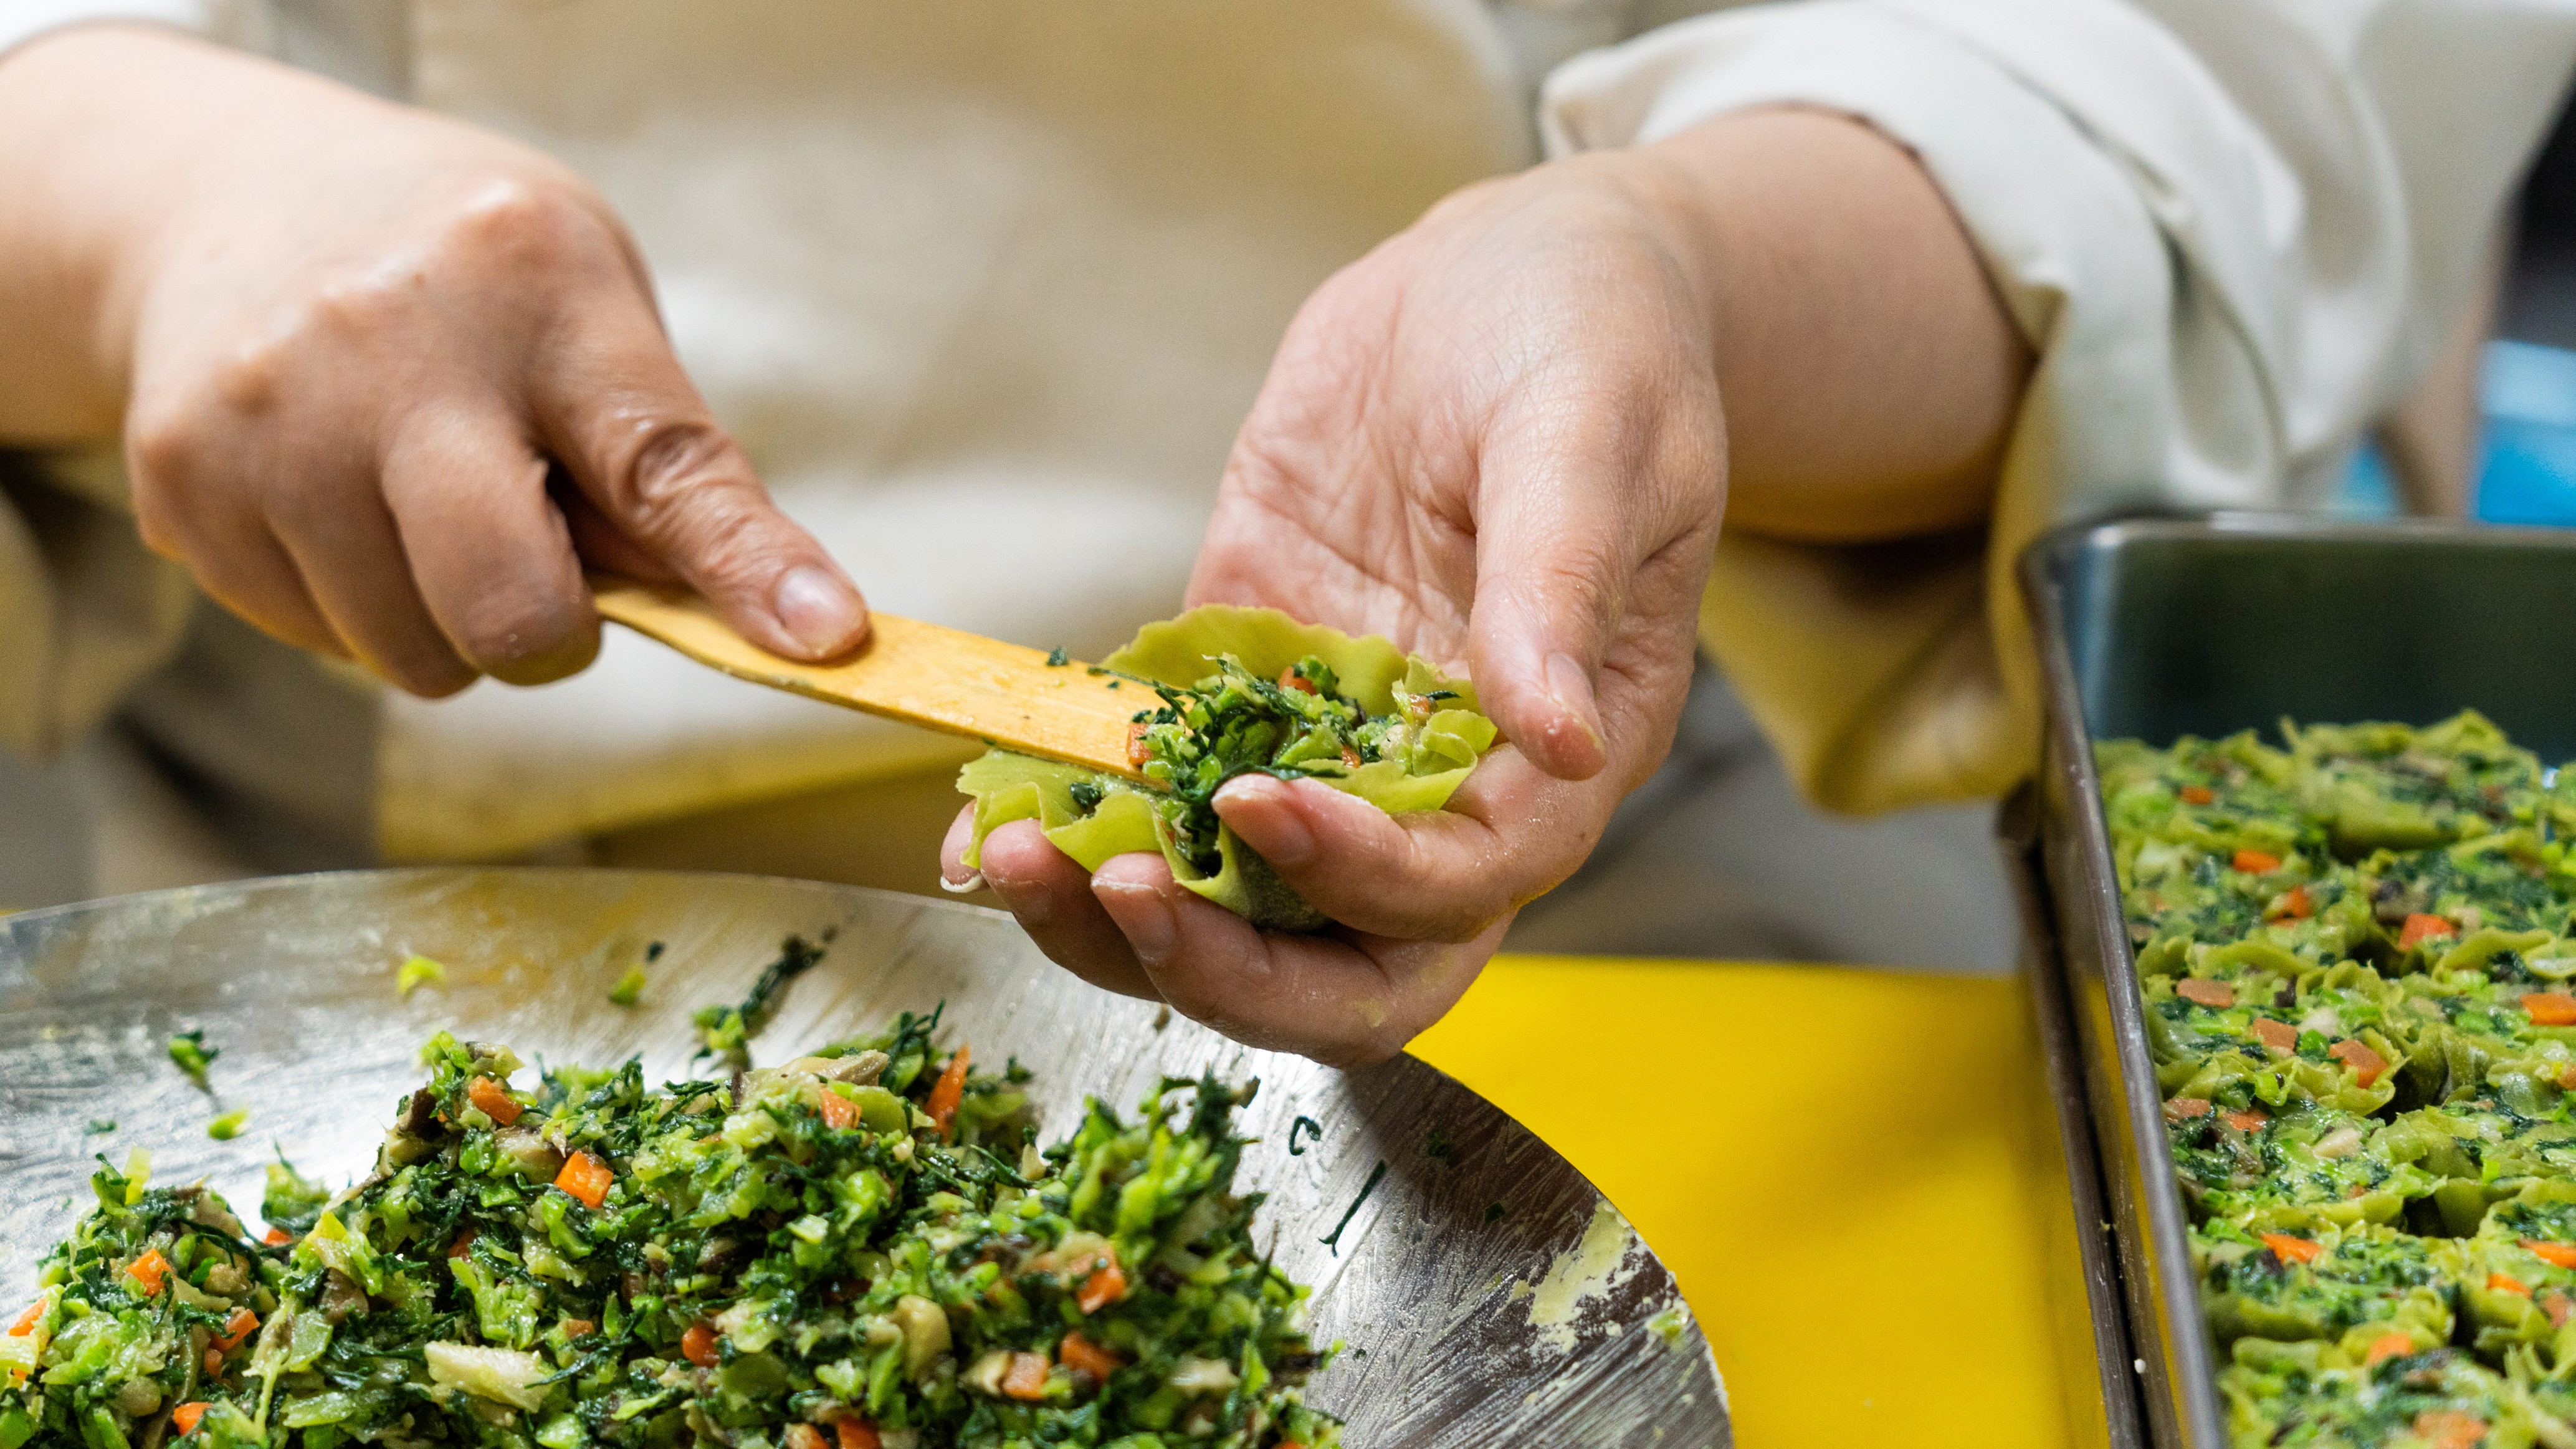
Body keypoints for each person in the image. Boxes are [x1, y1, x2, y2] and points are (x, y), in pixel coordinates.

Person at [1, 1, 2569, 1065]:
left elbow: (2192, 81)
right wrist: (137, 196)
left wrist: (1673, 273)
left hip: (1675, 875)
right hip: (275, 931)